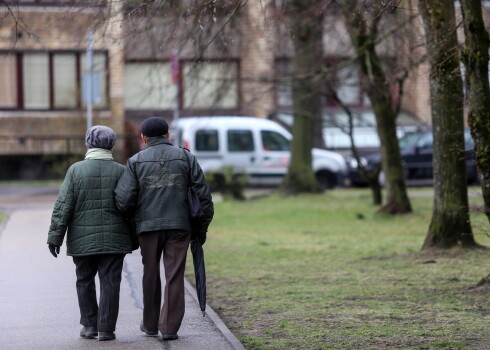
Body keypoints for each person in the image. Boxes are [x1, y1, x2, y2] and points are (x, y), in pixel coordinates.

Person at [115, 116, 214, 341]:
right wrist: (200, 229)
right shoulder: (186, 157)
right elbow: (203, 197)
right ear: (168, 135)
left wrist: (135, 220)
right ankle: (169, 327)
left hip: (148, 227)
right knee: (175, 275)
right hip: (180, 225)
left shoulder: (136, 161)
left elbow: (123, 200)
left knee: (150, 273)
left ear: (143, 137)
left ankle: (150, 324)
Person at [47, 125, 136, 341]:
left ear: (88, 143)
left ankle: (90, 325)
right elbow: (131, 206)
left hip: (82, 239)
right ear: (111, 145)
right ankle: (106, 329)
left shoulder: (75, 170)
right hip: (115, 238)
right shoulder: (122, 171)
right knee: (110, 282)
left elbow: (63, 205)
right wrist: (133, 238)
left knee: (84, 279)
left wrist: (55, 237)